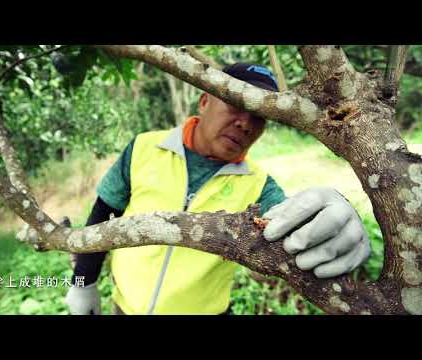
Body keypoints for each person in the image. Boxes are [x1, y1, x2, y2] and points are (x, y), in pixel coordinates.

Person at [65, 63, 371, 315]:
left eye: (259, 116)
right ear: (204, 100)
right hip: (125, 307)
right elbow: (102, 216)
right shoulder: (144, 147)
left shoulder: (260, 186)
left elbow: (293, 228)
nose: (245, 124)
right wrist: (83, 283)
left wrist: (333, 217)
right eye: (237, 104)